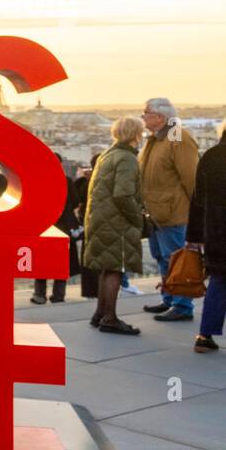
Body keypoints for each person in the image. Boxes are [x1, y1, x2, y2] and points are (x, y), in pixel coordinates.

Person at [138, 97, 200, 322]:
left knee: (177, 259)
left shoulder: (177, 137)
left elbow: (191, 178)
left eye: (145, 112)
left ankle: (182, 305)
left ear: (160, 117)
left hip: (173, 212)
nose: (142, 116)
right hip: (156, 213)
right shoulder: (156, 139)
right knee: (163, 258)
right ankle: (169, 298)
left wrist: (196, 213)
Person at [83, 117, 146, 335]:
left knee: (107, 268)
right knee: (116, 270)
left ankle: (101, 313)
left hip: (101, 220)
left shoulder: (106, 155)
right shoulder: (127, 158)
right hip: (117, 222)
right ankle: (109, 318)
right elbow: (123, 194)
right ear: (135, 134)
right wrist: (138, 218)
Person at [186, 122, 226, 352]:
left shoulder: (211, 156)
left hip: (216, 231)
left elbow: (198, 199)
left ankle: (204, 335)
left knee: (219, 281)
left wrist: (194, 234)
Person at [32, 152, 81, 304]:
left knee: (41, 262)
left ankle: (40, 294)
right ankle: (58, 295)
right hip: (63, 228)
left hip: (43, 227)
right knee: (61, 263)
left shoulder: (38, 181)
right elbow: (75, 203)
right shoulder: (66, 181)